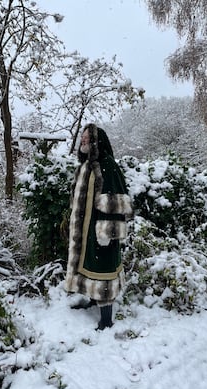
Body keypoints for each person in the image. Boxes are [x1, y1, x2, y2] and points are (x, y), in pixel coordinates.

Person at [65, 123, 132, 330]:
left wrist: (107, 231)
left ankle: (106, 319)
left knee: (103, 267)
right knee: (89, 265)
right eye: (82, 138)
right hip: (84, 229)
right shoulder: (84, 166)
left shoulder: (107, 165)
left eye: (87, 138)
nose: (83, 140)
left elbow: (116, 201)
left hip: (100, 228)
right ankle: (93, 299)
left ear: (97, 142)